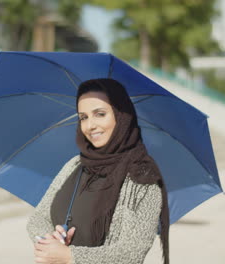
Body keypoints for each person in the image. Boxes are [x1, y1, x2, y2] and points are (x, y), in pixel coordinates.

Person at [26, 78, 170, 264]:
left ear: (121, 116)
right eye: (83, 117)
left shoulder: (143, 177)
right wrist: (51, 240)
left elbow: (131, 252)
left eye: (100, 114)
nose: (90, 125)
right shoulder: (75, 165)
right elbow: (38, 217)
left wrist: (71, 257)